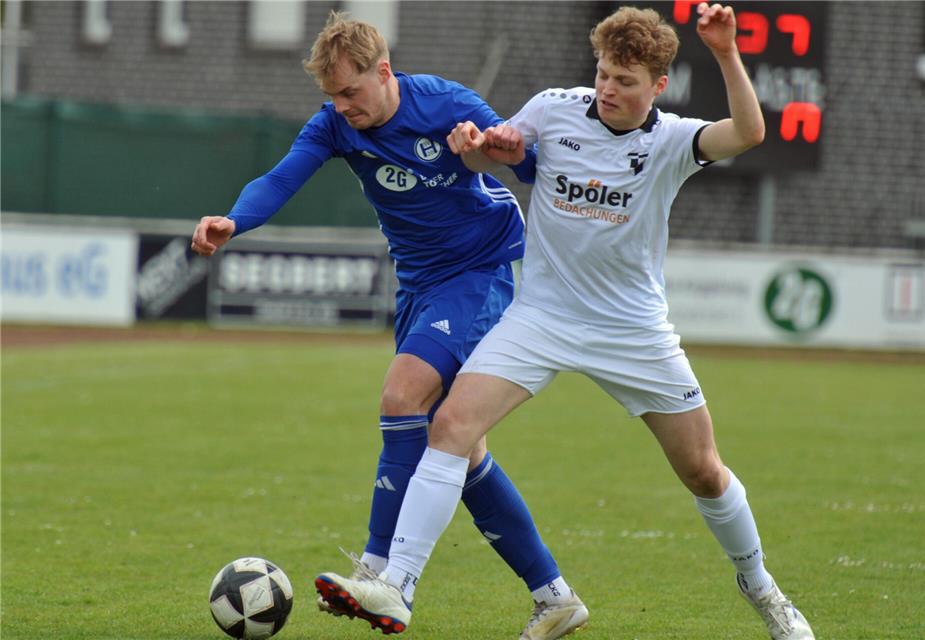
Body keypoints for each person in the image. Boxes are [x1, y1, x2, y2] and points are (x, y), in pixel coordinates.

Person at [316, 3, 816, 639]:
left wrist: (724, 52)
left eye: (625, 81)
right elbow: (495, 155)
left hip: (632, 331)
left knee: (703, 471)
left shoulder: (670, 142)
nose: (608, 88)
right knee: (450, 425)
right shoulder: (554, 106)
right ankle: (397, 587)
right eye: (604, 74)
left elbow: (747, 133)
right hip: (543, 315)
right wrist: (480, 148)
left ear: (658, 86)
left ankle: (762, 588)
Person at [190, 11, 588, 640]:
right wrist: (234, 222)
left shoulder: (448, 104)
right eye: (332, 96)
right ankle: (554, 596)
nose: (341, 106)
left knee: (402, 395)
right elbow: (280, 179)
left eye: (350, 91)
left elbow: (530, 164)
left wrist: (490, 150)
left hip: (487, 270)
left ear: (383, 71)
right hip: (422, 287)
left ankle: (380, 570)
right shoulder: (335, 128)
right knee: (458, 447)